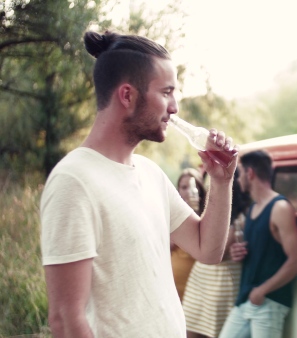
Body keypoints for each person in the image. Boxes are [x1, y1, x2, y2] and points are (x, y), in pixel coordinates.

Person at [40, 30, 239, 337]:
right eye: (166, 92)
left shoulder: (150, 173)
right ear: (128, 95)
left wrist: (221, 181)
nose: (174, 108)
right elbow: (66, 321)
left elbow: (208, 249)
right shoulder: (74, 181)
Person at [219, 150, 297, 338]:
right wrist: (237, 254)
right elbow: (261, 252)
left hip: (269, 302)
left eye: (240, 173)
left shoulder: (280, 208)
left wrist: (262, 291)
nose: (239, 179)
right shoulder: (253, 209)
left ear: (250, 173)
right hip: (246, 300)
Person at [183, 169, 251, 338]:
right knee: (189, 326)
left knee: (213, 331)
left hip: (221, 281)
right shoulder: (208, 213)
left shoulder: (240, 217)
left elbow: (216, 248)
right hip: (201, 278)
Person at [172, 168, 207, 301]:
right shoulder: (170, 213)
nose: (188, 192)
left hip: (198, 285)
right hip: (174, 284)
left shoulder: (206, 215)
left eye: (193, 187)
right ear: (178, 190)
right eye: (184, 187)